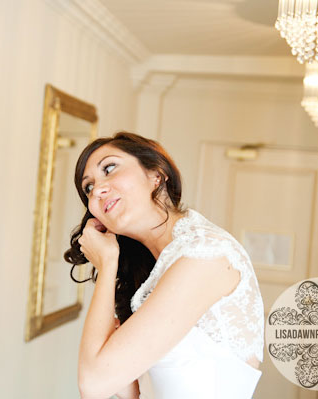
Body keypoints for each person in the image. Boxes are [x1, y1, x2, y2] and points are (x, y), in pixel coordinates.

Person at [64, 132, 264, 399]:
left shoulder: (205, 254)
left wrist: (107, 264)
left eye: (109, 169)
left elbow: (93, 384)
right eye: (88, 188)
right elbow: (132, 391)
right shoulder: (159, 270)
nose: (97, 189)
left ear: (156, 174)